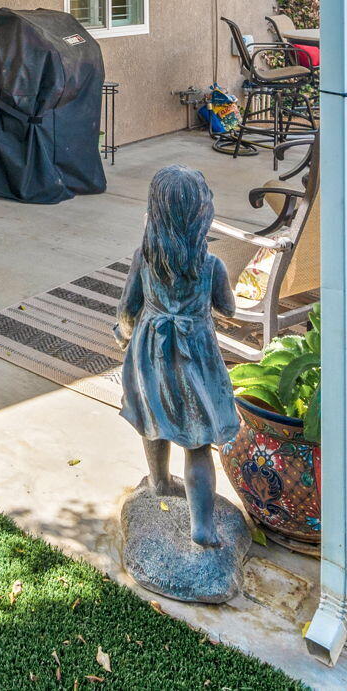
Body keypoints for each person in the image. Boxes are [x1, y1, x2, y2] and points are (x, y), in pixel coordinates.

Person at [116, 165, 241, 547]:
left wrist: (126, 333)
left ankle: (158, 482)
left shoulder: (144, 258)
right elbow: (229, 308)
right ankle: (202, 526)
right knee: (198, 441)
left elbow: (126, 310)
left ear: (154, 214)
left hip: (150, 352)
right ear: (203, 216)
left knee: (152, 417)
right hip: (196, 359)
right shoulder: (210, 265)